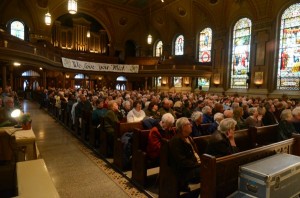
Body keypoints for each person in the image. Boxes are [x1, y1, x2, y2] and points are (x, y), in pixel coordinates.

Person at [169, 117, 201, 191]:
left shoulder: (188, 137)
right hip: (186, 171)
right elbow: (182, 161)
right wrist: (199, 164)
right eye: (189, 124)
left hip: (194, 165)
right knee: (209, 171)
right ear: (183, 127)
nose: (191, 125)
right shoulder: (176, 141)